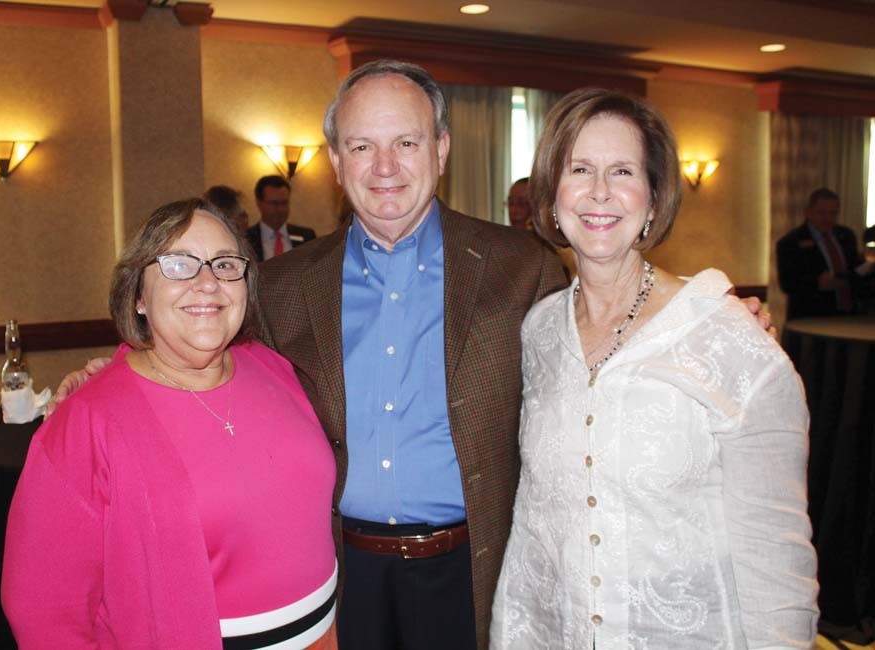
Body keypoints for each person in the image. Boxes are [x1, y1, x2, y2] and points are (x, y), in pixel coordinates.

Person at [47, 61, 772, 650]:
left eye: (407, 143)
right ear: (334, 160)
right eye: (361, 146)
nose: (385, 167)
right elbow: (209, 360)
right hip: (334, 573)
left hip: (475, 568)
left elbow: (602, 340)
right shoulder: (285, 283)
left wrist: (710, 320)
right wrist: (120, 367)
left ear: (442, 150)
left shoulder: (518, 264)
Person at [490, 88, 818, 648]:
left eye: (622, 171)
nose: (599, 192)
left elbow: (776, 554)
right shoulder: (538, 332)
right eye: (580, 169)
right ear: (551, 195)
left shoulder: (726, 337)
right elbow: (534, 527)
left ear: (654, 195)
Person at [2, 199, 337, 649]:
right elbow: (43, 613)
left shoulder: (273, 367)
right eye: (179, 264)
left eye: (224, 263)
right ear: (138, 295)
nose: (207, 282)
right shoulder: (86, 423)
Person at [777, 188, 873, 320]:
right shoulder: (791, 242)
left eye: (833, 213)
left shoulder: (846, 235)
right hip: (810, 319)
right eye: (822, 213)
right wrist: (817, 283)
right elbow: (787, 283)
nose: (828, 218)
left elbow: (854, 268)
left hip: (848, 316)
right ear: (809, 212)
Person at [246, 174, 316, 260]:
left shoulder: (306, 237)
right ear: (259, 203)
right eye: (274, 203)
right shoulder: (247, 239)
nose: (280, 209)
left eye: (284, 203)